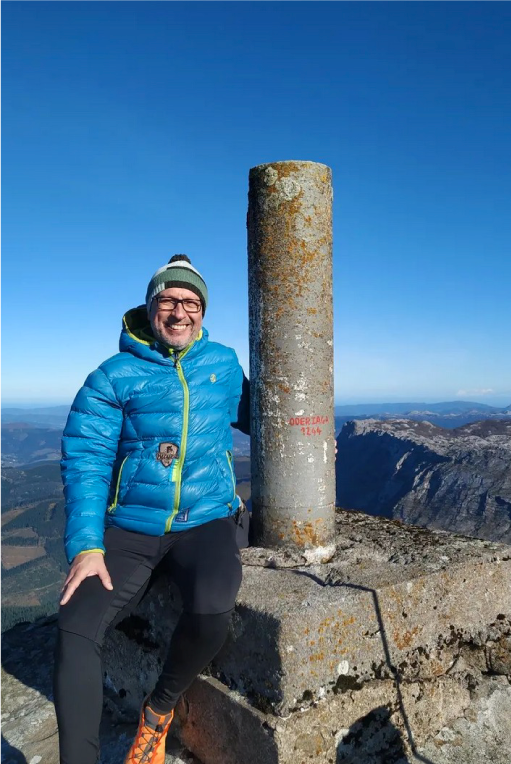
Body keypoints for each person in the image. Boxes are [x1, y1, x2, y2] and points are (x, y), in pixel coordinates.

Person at [54, 255, 249, 764]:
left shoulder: (223, 365)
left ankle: (157, 714)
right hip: (131, 527)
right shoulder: (114, 375)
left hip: (206, 519)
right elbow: (86, 461)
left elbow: (258, 414)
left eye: (191, 302)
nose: (180, 312)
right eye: (168, 300)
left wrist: (313, 439)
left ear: (203, 311)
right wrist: (87, 547)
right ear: (149, 307)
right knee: (76, 626)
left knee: (213, 611)